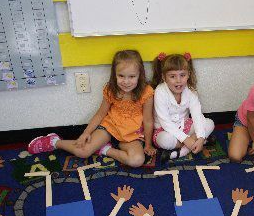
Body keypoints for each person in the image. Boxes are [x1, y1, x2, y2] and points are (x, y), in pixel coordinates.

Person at [28, 50, 156, 167]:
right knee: (82, 151)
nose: (126, 82)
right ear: (114, 75)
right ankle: (54, 141)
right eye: (121, 76)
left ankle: (105, 150)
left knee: (137, 160)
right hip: (110, 128)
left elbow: (148, 120)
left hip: (132, 134)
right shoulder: (111, 89)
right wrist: (86, 133)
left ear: (140, 75)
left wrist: (148, 144)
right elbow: (100, 114)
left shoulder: (146, 92)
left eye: (132, 77)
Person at [151, 52, 215, 162]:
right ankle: (201, 142)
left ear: (188, 75)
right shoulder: (160, 92)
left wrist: (199, 136)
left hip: (185, 126)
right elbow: (165, 122)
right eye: (172, 76)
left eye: (182, 75)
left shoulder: (190, 91)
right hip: (166, 130)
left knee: (209, 123)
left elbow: (197, 115)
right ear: (164, 77)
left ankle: (182, 151)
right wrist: (187, 139)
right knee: (164, 140)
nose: (178, 80)